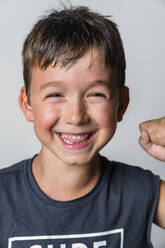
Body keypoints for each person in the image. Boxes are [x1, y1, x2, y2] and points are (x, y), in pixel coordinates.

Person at [1, 5, 165, 248]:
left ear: (121, 104)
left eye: (96, 94)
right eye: (55, 94)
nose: (76, 116)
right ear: (27, 104)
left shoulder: (140, 190)